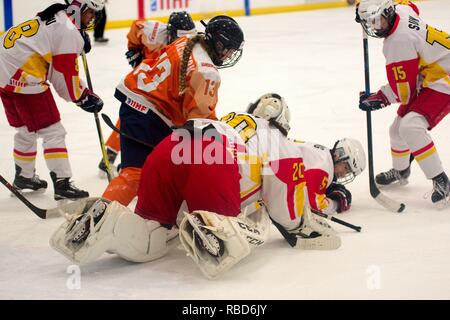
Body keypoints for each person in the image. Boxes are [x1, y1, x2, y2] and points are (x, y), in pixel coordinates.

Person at [50, 93, 345, 280]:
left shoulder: (232, 120)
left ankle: (110, 221)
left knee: (154, 234)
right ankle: (214, 226)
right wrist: (298, 223)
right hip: (215, 159)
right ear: (284, 123)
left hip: (169, 147)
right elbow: (283, 202)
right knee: (253, 223)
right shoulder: (281, 142)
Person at [100, 15, 245, 206]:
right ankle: (95, 219)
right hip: (149, 115)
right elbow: (198, 121)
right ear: (218, 45)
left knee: (159, 170)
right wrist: (219, 144)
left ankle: (150, 214)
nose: (228, 56)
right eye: (229, 50)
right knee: (137, 174)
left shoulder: (188, 41)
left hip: (136, 102)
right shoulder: (207, 72)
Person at [0, 0, 105, 200]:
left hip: (4, 71)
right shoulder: (68, 31)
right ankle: (62, 184)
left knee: (25, 129)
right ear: (80, 9)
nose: (92, 18)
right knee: (53, 131)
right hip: (21, 74)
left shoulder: (58, 17)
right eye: (91, 12)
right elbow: (63, 76)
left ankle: (24, 176)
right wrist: (82, 97)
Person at [357, 0, 450, 207]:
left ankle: (441, 180)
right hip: (433, 70)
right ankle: (401, 171)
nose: (374, 27)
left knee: (411, 126)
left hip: (444, 77)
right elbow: (410, 5)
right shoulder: (401, 9)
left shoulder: (397, 42)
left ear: (388, 12)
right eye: (369, 23)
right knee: (396, 130)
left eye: (377, 21)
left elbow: (404, 91)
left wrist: (379, 98)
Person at [99, 11, 197, 175]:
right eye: (181, 36)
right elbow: (135, 27)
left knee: (142, 111)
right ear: (171, 31)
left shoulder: (188, 46)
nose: (185, 40)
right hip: (148, 75)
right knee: (140, 109)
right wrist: (134, 50)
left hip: (162, 78)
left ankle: (123, 154)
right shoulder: (156, 31)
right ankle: (123, 154)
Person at [246, 93, 365, 215]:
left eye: (348, 172)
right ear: (339, 155)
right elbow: (312, 206)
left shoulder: (321, 154)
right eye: (346, 168)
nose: (344, 174)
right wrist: (335, 203)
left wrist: (324, 189)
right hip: (258, 167)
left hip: (257, 157)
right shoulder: (325, 168)